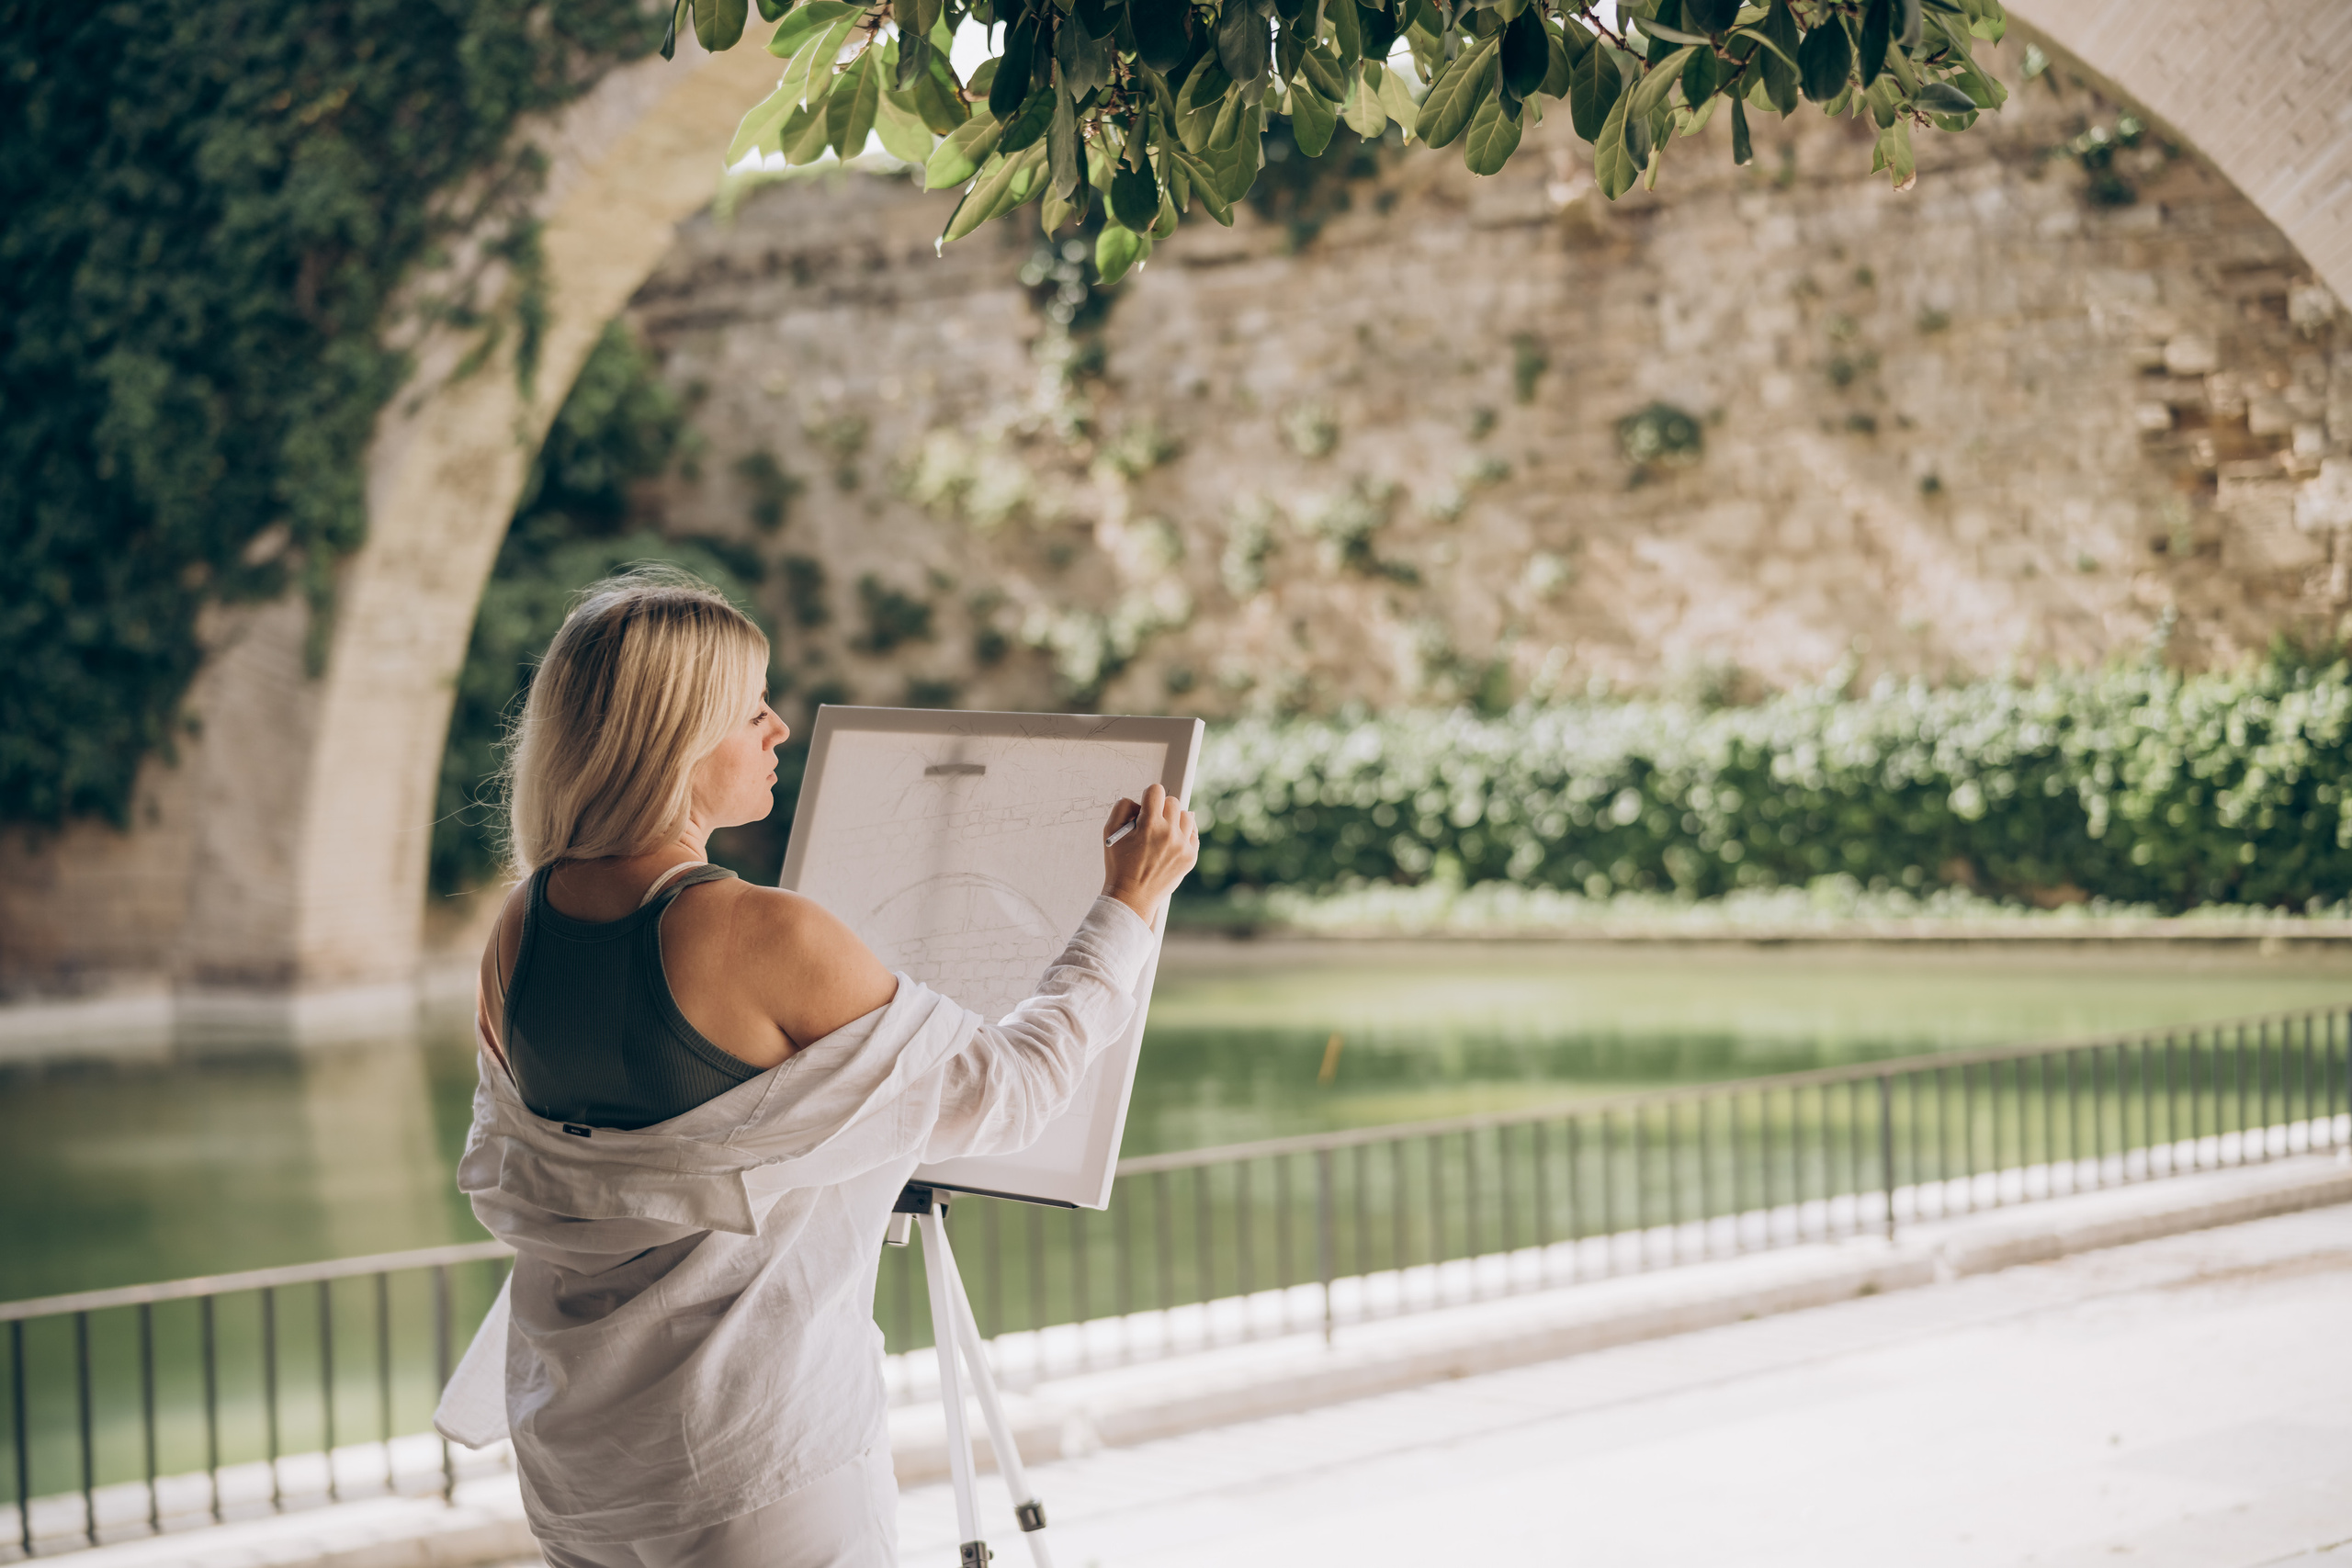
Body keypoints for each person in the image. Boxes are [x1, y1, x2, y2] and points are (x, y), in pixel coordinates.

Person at [437, 567, 1198, 1567]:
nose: (778, 731)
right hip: (751, 1467)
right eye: (749, 710)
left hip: (581, 1464)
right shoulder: (755, 933)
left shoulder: (519, 927)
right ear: (673, 737)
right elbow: (1010, 1091)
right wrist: (1127, 907)